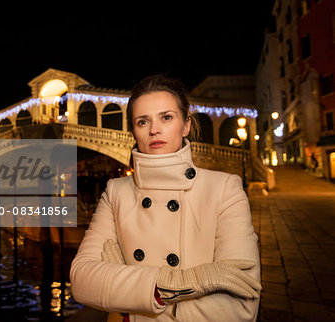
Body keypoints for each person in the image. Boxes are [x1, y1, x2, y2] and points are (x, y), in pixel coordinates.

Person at [70, 75, 261, 321]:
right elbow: (82, 281)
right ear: (134, 131)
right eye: (142, 121)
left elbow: (240, 310)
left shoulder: (225, 189)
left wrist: (131, 302)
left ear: (186, 125)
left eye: (166, 117)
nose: (154, 129)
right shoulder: (116, 192)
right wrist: (185, 282)